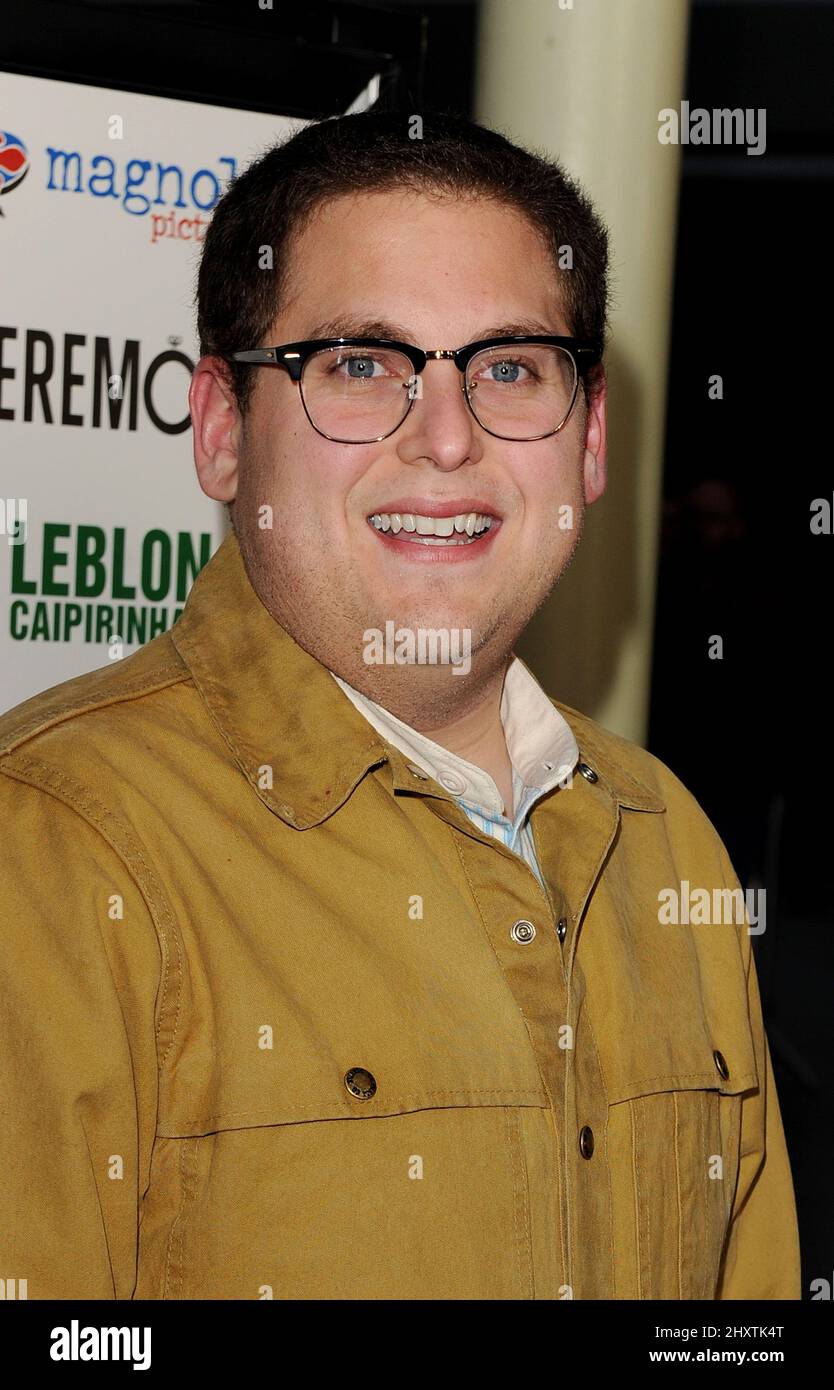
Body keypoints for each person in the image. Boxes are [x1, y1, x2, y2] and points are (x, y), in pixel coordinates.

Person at [0, 109, 800, 1300]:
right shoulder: (53, 853)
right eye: (361, 365)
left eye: (512, 369)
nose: (445, 438)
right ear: (222, 431)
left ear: (588, 449)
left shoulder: (663, 835)